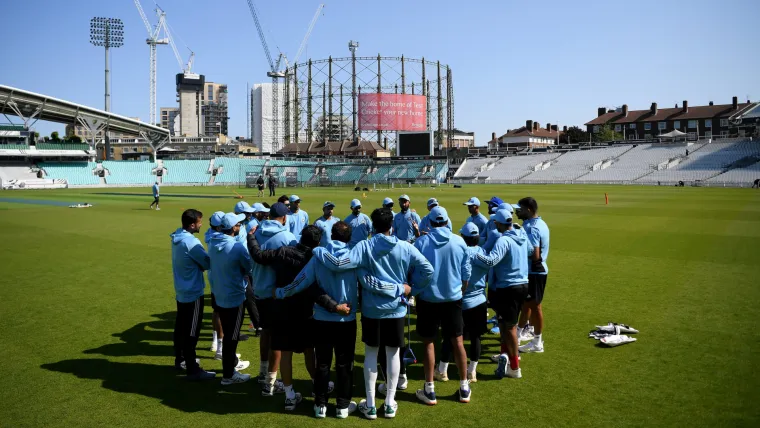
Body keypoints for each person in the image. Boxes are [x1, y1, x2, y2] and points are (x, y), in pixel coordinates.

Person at [312, 208, 434, 420]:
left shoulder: (364, 246)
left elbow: (343, 264)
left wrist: (319, 251)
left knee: (371, 353)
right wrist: (412, 289)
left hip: (371, 309)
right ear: (392, 226)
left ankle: (369, 405)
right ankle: (389, 403)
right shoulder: (404, 246)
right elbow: (428, 269)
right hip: (396, 308)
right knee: (393, 354)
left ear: (373, 227)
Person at [275, 221, 358, 419]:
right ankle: (342, 406)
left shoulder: (318, 256)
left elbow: (300, 282)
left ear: (331, 235)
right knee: (344, 364)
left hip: (321, 318)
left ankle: (320, 405)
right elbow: (365, 283)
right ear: (349, 238)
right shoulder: (355, 256)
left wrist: (280, 292)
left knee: (322, 363)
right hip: (346, 319)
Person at [249, 225, 335, 411]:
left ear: (300, 238)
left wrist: (251, 237)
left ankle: (289, 395)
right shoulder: (313, 259)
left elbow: (258, 256)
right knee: (308, 350)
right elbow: (315, 289)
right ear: (317, 243)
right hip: (304, 311)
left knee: (286, 353)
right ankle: (316, 385)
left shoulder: (282, 252)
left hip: (281, 307)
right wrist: (333, 305)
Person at [412, 206, 473, 404]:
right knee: (457, 341)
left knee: (429, 342)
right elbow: (466, 275)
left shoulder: (421, 242)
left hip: (428, 299)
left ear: (429, 222)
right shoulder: (459, 241)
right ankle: (464, 387)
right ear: (447, 222)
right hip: (453, 298)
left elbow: (414, 271)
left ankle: (429, 389)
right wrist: (460, 292)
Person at [471, 209, 530, 380]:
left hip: (508, 288)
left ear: (498, 223)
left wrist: (476, 252)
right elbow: (530, 251)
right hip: (522, 285)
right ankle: (505, 355)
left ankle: (515, 366)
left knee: (510, 328)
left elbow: (491, 261)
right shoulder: (521, 236)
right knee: (504, 324)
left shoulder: (503, 240)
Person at [250, 202, 298, 395]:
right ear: (284, 218)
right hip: (276, 294)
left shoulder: (256, 233)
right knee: (278, 340)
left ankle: (263, 373)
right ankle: (270, 383)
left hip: (258, 290)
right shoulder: (287, 237)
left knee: (266, 333)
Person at [207, 212, 254, 385]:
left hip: (219, 293)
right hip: (234, 295)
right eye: (238, 224)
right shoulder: (237, 247)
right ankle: (228, 375)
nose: (240, 226)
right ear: (234, 228)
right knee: (231, 337)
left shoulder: (212, 243)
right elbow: (248, 268)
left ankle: (231, 367)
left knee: (228, 334)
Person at [439, 223, 488, 383]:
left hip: (460, 300)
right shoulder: (482, 252)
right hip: (479, 300)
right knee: (476, 337)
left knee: (449, 336)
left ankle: (442, 370)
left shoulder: (461, 252)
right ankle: (472, 371)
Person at [170, 209, 215, 380]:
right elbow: (207, 263)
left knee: (181, 326)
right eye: (199, 222)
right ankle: (192, 368)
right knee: (192, 331)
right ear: (192, 224)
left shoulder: (177, 236)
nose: (201, 224)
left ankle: (180, 359)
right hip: (193, 291)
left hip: (181, 289)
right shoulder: (192, 243)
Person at [517, 197, 550, 354]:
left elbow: (535, 254)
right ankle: (517, 336)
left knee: (535, 306)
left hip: (535, 272)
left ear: (529, 210)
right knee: (527, 305)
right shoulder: (537, 223)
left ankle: (537, 342)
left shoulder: (533, 228)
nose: (518, 211)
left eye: (521, 209)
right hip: (534, 271)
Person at [205, 211, 226, 355]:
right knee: (224, 312)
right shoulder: (220, 239)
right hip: (224, 278)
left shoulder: (209, 234)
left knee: (216, 311)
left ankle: (215, 341)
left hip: (213, 277)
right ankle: (221, 347)